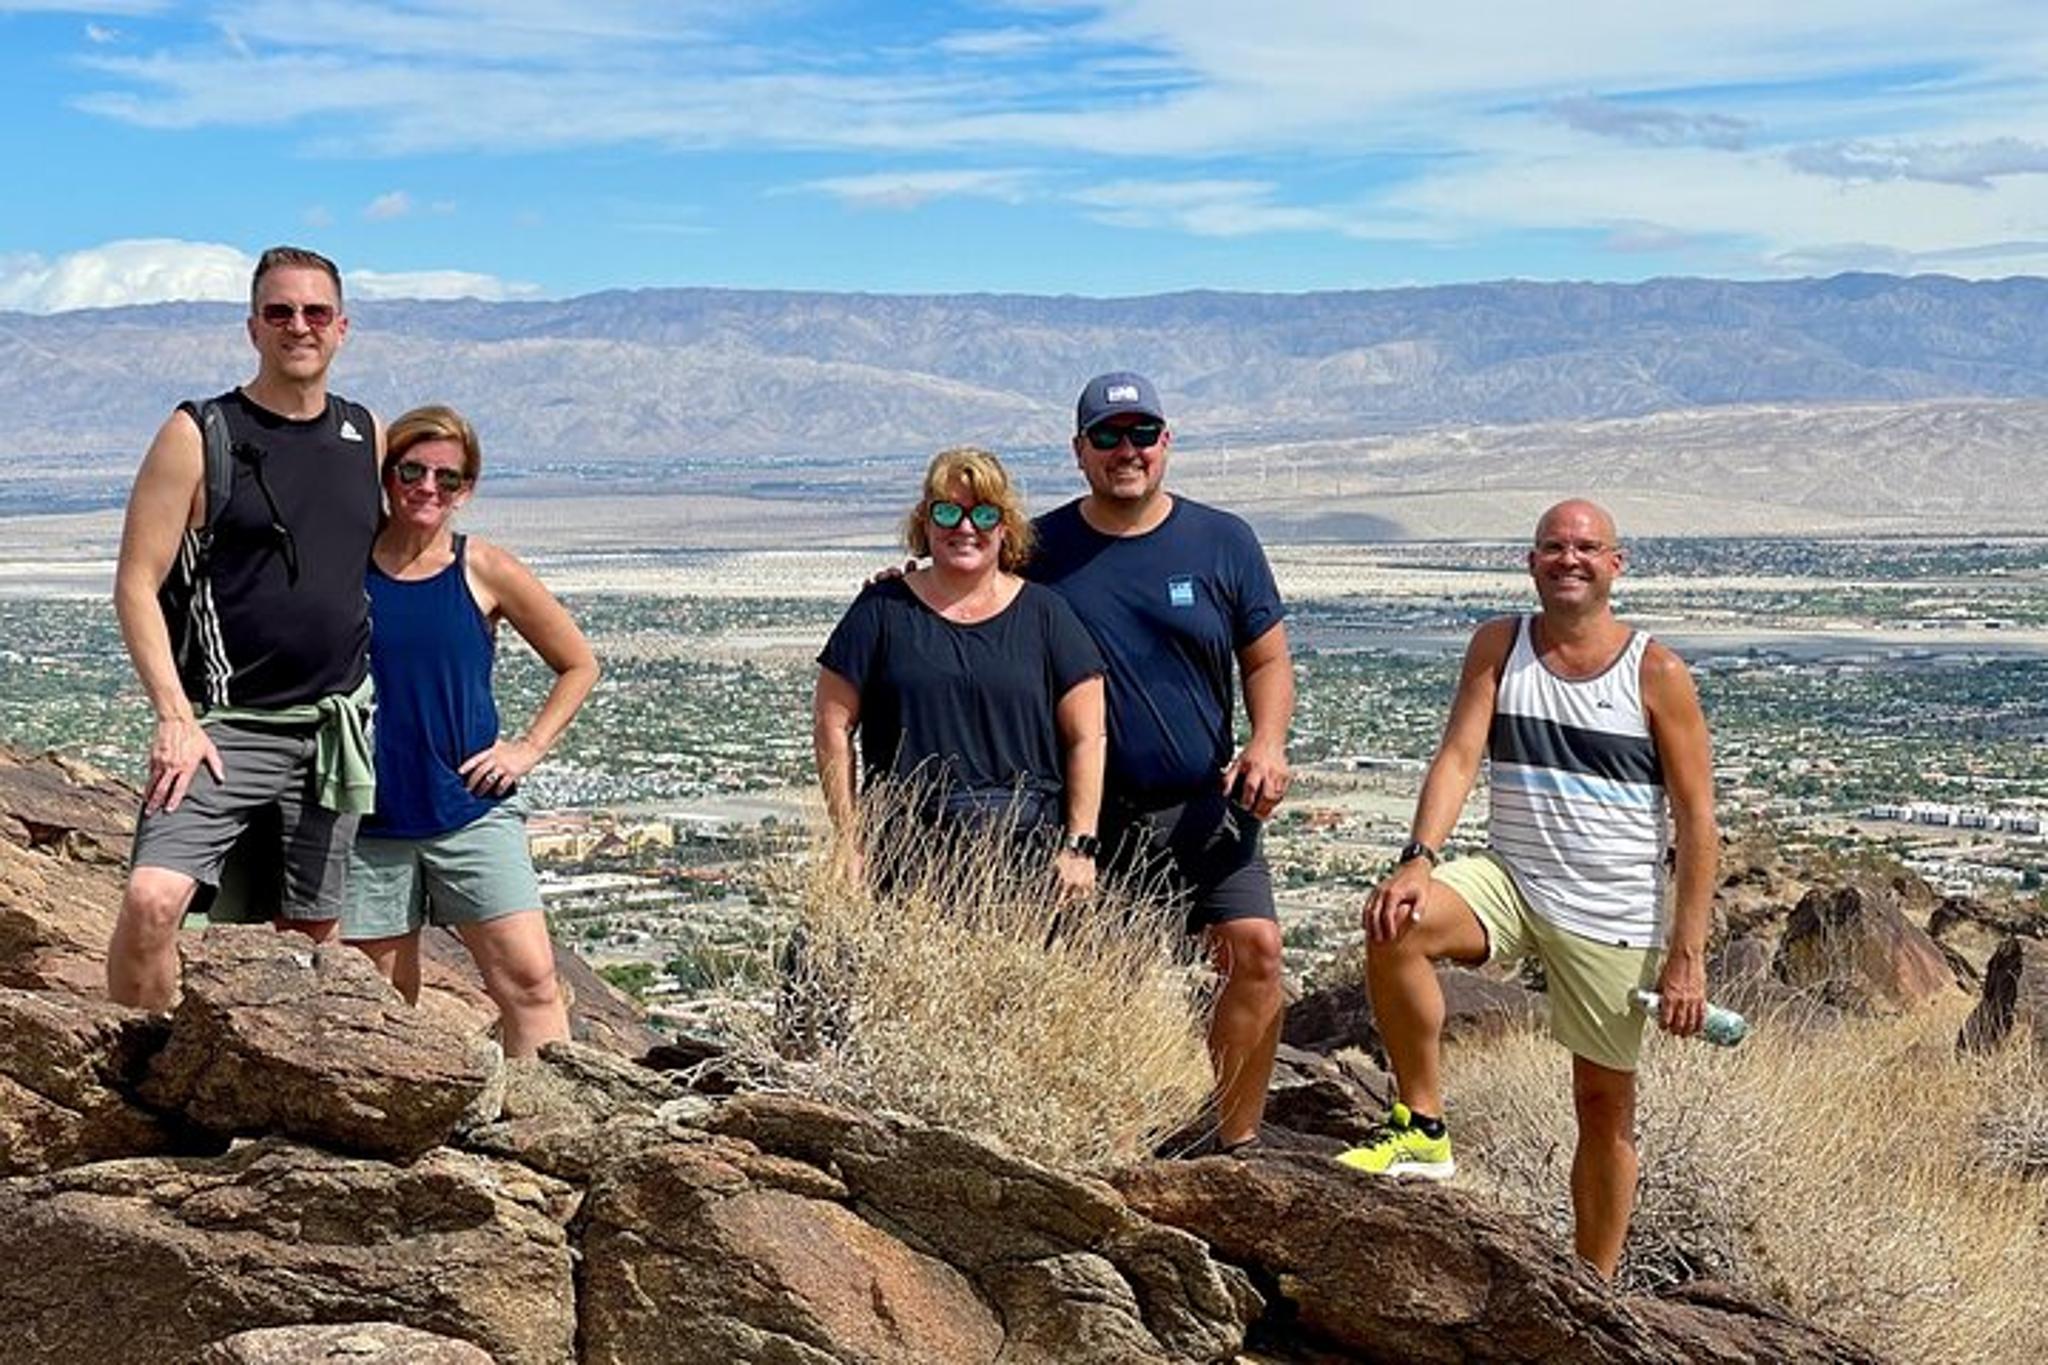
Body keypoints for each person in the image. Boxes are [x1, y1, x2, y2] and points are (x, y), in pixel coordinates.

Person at [1339, 498, 1718, 1279]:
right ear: (1531, 561)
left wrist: (1688, 956)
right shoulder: (1498, 645)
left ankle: (1594, 1288)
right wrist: (1419, 857)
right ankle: (1423, 1123)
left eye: (1586, 547)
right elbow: (1457, 756)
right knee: (1395, 924)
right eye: (1553, 546)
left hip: (1611, 909)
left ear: (1617, 563)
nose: (1568, 558)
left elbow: (1699, 822)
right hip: (1511, 878)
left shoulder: (1657, 673)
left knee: (1603, 1105)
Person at [1029, 372, 1295, 1155]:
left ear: (1166, 443)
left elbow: (1269, 659)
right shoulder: (1039, 549)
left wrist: (1268, 741)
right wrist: (897, 586)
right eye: (1107, 436)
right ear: (1079, 451)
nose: (1127, 451)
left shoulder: (1223, 541)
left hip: (1204, 803)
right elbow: (964, 584)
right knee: (1100, 983)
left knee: (1256, 950)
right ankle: (1104, 1150)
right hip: (1090, 820)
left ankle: (1233, 1141)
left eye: (1141, 433)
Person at [109, 246, 379, 1009]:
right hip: (221, 726)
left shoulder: (367, 434)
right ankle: (139, 1073)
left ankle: (278, 1089)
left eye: (316, 312)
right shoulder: (201, 432)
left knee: (311, 936)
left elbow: (391, 561)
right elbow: (136, 582)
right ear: (252, 327)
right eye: (281, 312)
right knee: (155, 902)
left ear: (342, 328)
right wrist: (174, 714)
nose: (300, 326)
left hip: (332, 728)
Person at [339, 405, 597, 1058]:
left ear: (467, 489)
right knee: (382, 999)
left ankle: (544, 1128)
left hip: (469, 811)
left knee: (531, 982)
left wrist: (527, 748)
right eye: (412, 471)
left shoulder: (481, 568)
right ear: (388, 475)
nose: (428, 488)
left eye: (447, 478)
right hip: (369, 818)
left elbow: (578, 662)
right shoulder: (342, 568)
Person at [815, 447, 1107, 896]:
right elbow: (832, 724)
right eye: (948, 512)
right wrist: (850, 840)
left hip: (1026, 864)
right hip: (906, 865)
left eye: (983, 515)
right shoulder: (881, 611)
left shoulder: (1048, 616)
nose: (965, 528)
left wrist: (1079, 846)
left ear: (1005, 525)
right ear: (925, 521)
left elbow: (1088, 737)